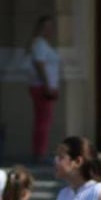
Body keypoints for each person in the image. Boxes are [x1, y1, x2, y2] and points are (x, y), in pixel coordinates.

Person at [26, 16, 61, 161]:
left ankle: (41, 150)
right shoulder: (39, 44)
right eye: (46, 27)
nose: (49, 30)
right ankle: (40, 152)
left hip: (44, 86)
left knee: (45, 120)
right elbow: (40, 65)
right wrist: (47, 85)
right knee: (43, 121)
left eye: (51, 27)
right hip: (41, 87)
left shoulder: (43, 44)